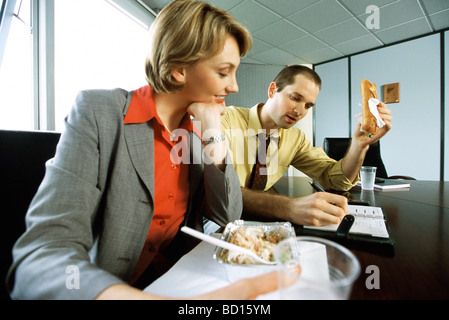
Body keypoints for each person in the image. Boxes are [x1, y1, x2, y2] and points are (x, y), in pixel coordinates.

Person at [6, 0, 280, 300]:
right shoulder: (99, 113)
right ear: (178, 69)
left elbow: (228, 218)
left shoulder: (201, 128)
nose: (234, 87)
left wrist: (214, 139)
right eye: (224, 72)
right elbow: (44, 255)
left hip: (181, 284)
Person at [221, 65, 393, 227]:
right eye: (295, 98)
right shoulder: (225, 119)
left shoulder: (295, 139)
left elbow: (336, 180)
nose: (299, 111)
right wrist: (289, 207)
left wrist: (359, 145)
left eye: (308, 106)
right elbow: (221, 190)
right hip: (218, 221)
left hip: (263, 223)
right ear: (273, 90)